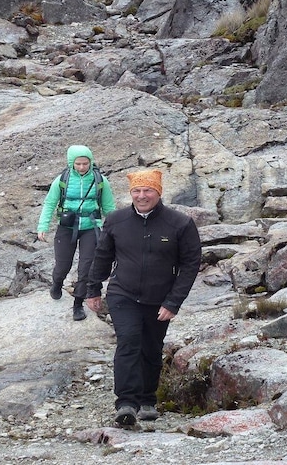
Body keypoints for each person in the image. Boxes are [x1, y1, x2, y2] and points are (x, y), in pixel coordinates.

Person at [86, 169, 202, 426]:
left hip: (159, 299)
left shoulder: (179, 223)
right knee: (128, 342)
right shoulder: (116, 220)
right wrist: (92, 289)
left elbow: (191, 264)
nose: (142, 195)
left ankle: (147, 399)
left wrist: (173, 302)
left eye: (148, 190)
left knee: (151, 348)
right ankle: (126, 403)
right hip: (122, 294)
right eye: (137, 191)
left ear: (158, 192)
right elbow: (103, 256)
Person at [37, 145, 116, 321]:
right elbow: (50, 203)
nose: (82, 167)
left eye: (85, 163)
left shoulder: (100, 180)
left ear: (91, 162)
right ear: (71, 163)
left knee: (86, 269)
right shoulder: (62, 180)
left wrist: (115, 231)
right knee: (62, 265)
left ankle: (78, 304)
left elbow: (109, 208)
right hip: (67, 227)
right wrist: (43, 226)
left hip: (91, 227)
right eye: (78, 163)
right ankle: (57, 283)